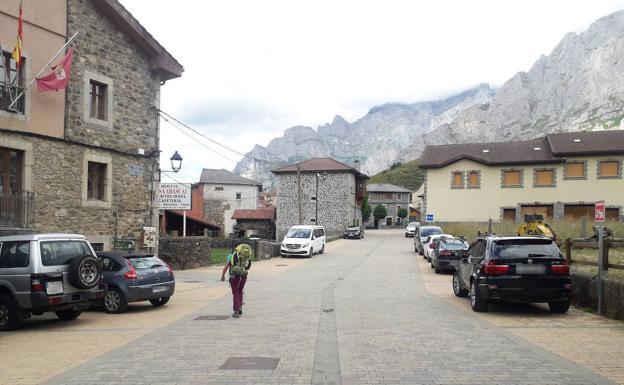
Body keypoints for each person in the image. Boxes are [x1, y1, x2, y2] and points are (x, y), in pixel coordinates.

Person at [221, 243, 252, 318]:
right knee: (240, 291)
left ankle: (236, 311)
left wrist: (222, 276)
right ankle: (240, 308)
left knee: (235, 293)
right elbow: (247, 267)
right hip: (243, 276)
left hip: (234, 276)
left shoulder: (231, 256)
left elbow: (225, 267)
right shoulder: (246, 256)